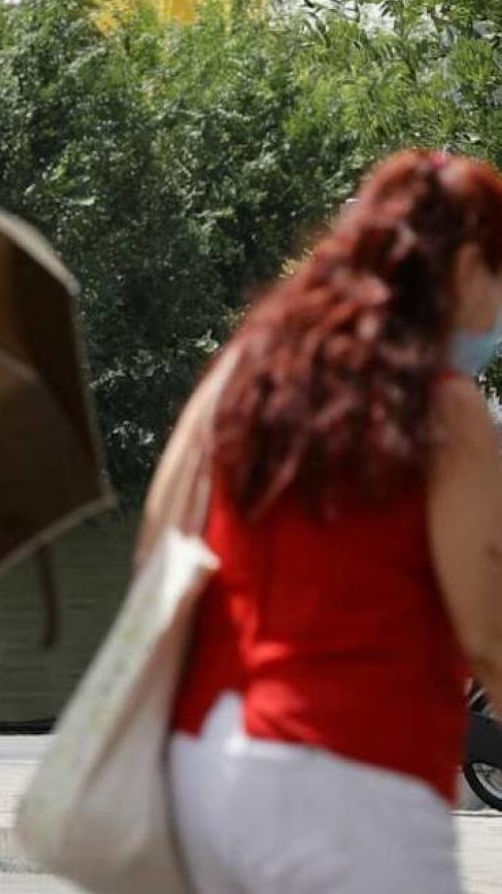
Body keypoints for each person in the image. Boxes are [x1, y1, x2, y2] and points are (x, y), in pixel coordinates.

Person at [159, 150, 502, 893]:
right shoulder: (444, 408)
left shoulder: (245, 373)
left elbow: (163, 544)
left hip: (210, 769)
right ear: (468, 264)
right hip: (354, 779)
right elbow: (489, 632)